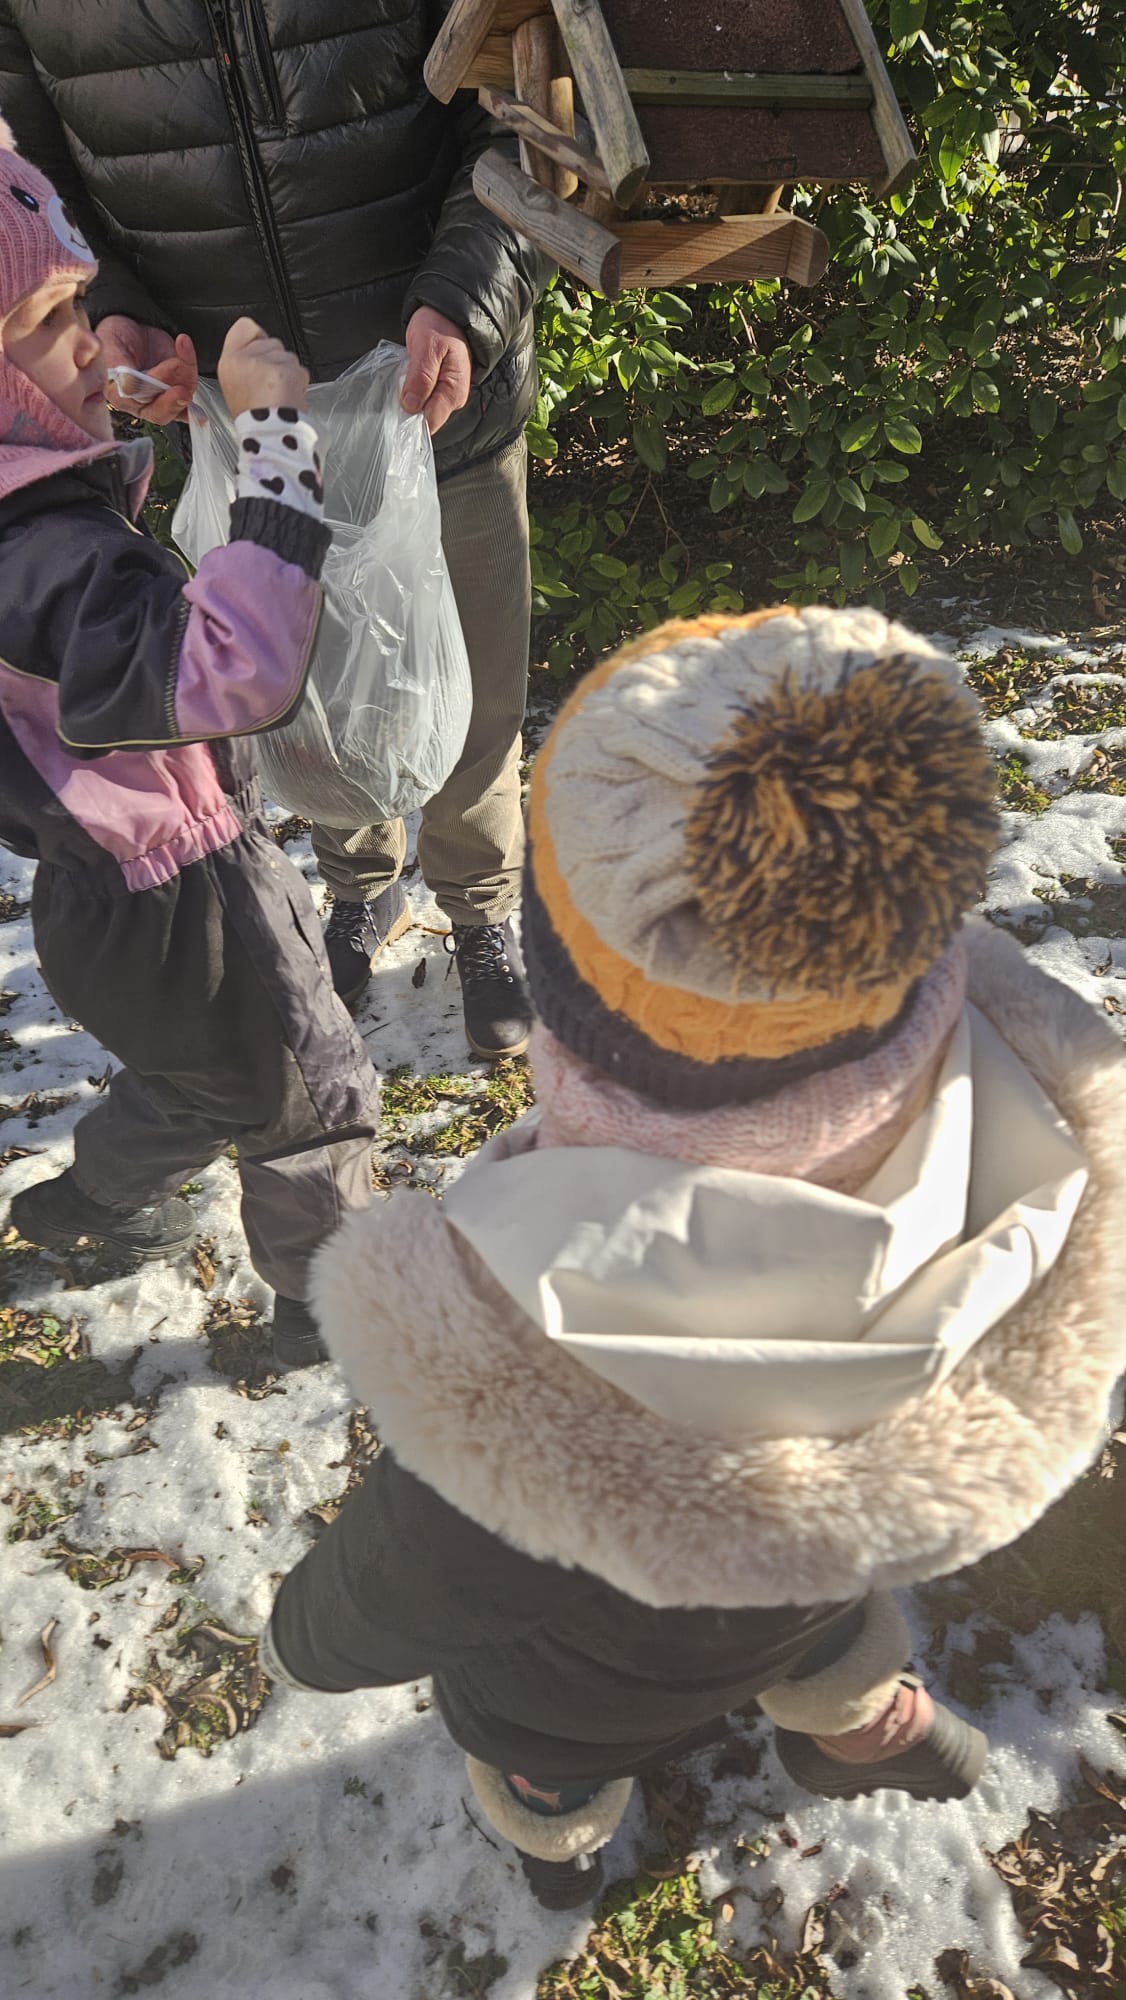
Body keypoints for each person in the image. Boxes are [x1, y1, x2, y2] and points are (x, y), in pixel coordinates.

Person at [259, 606, 1126, 1907]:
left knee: (539, 1747)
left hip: (589, 1689)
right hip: (816, 1588)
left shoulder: (517, 1355)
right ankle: (863, 1721)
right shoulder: (1041, 1147)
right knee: (823, 1630)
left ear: (567, 996)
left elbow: (391, 1591)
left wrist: (299, 1641)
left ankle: (557, 1835)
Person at [0, 1, 554, 1057]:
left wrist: (464, 299)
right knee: (298, 681)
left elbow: (523, 115)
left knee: (472, 677)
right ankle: (358, 884)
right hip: (237, 416)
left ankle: (480, 907)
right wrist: (112, 307)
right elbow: (32, 172)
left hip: (431, 396)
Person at [0, 123, 379, 1372]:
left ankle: (84, 1205)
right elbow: (233, 666)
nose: (87, 338)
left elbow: (80, 600)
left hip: (102, 906)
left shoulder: (26, 534)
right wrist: (273, 437)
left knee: (204, 1075)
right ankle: (333, 1314)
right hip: (192, 890)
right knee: (314, 1098)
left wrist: (113, 400)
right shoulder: (46, 561)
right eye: (52, 319)